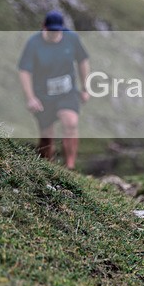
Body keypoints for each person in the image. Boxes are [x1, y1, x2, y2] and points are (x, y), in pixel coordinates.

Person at [18, 10, 90, 169]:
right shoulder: (34, 43)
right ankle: (47, 168)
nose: (54, 34)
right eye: (51, 30)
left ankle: (70, 166)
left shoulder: (72, 38)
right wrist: (30, 98)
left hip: (67, 92)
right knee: (47, 136)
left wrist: (85, 87)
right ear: (44, 27)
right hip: (43, 95)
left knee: (71, 123)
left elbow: (83, 61)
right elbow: (24, 71)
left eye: (57, 31)